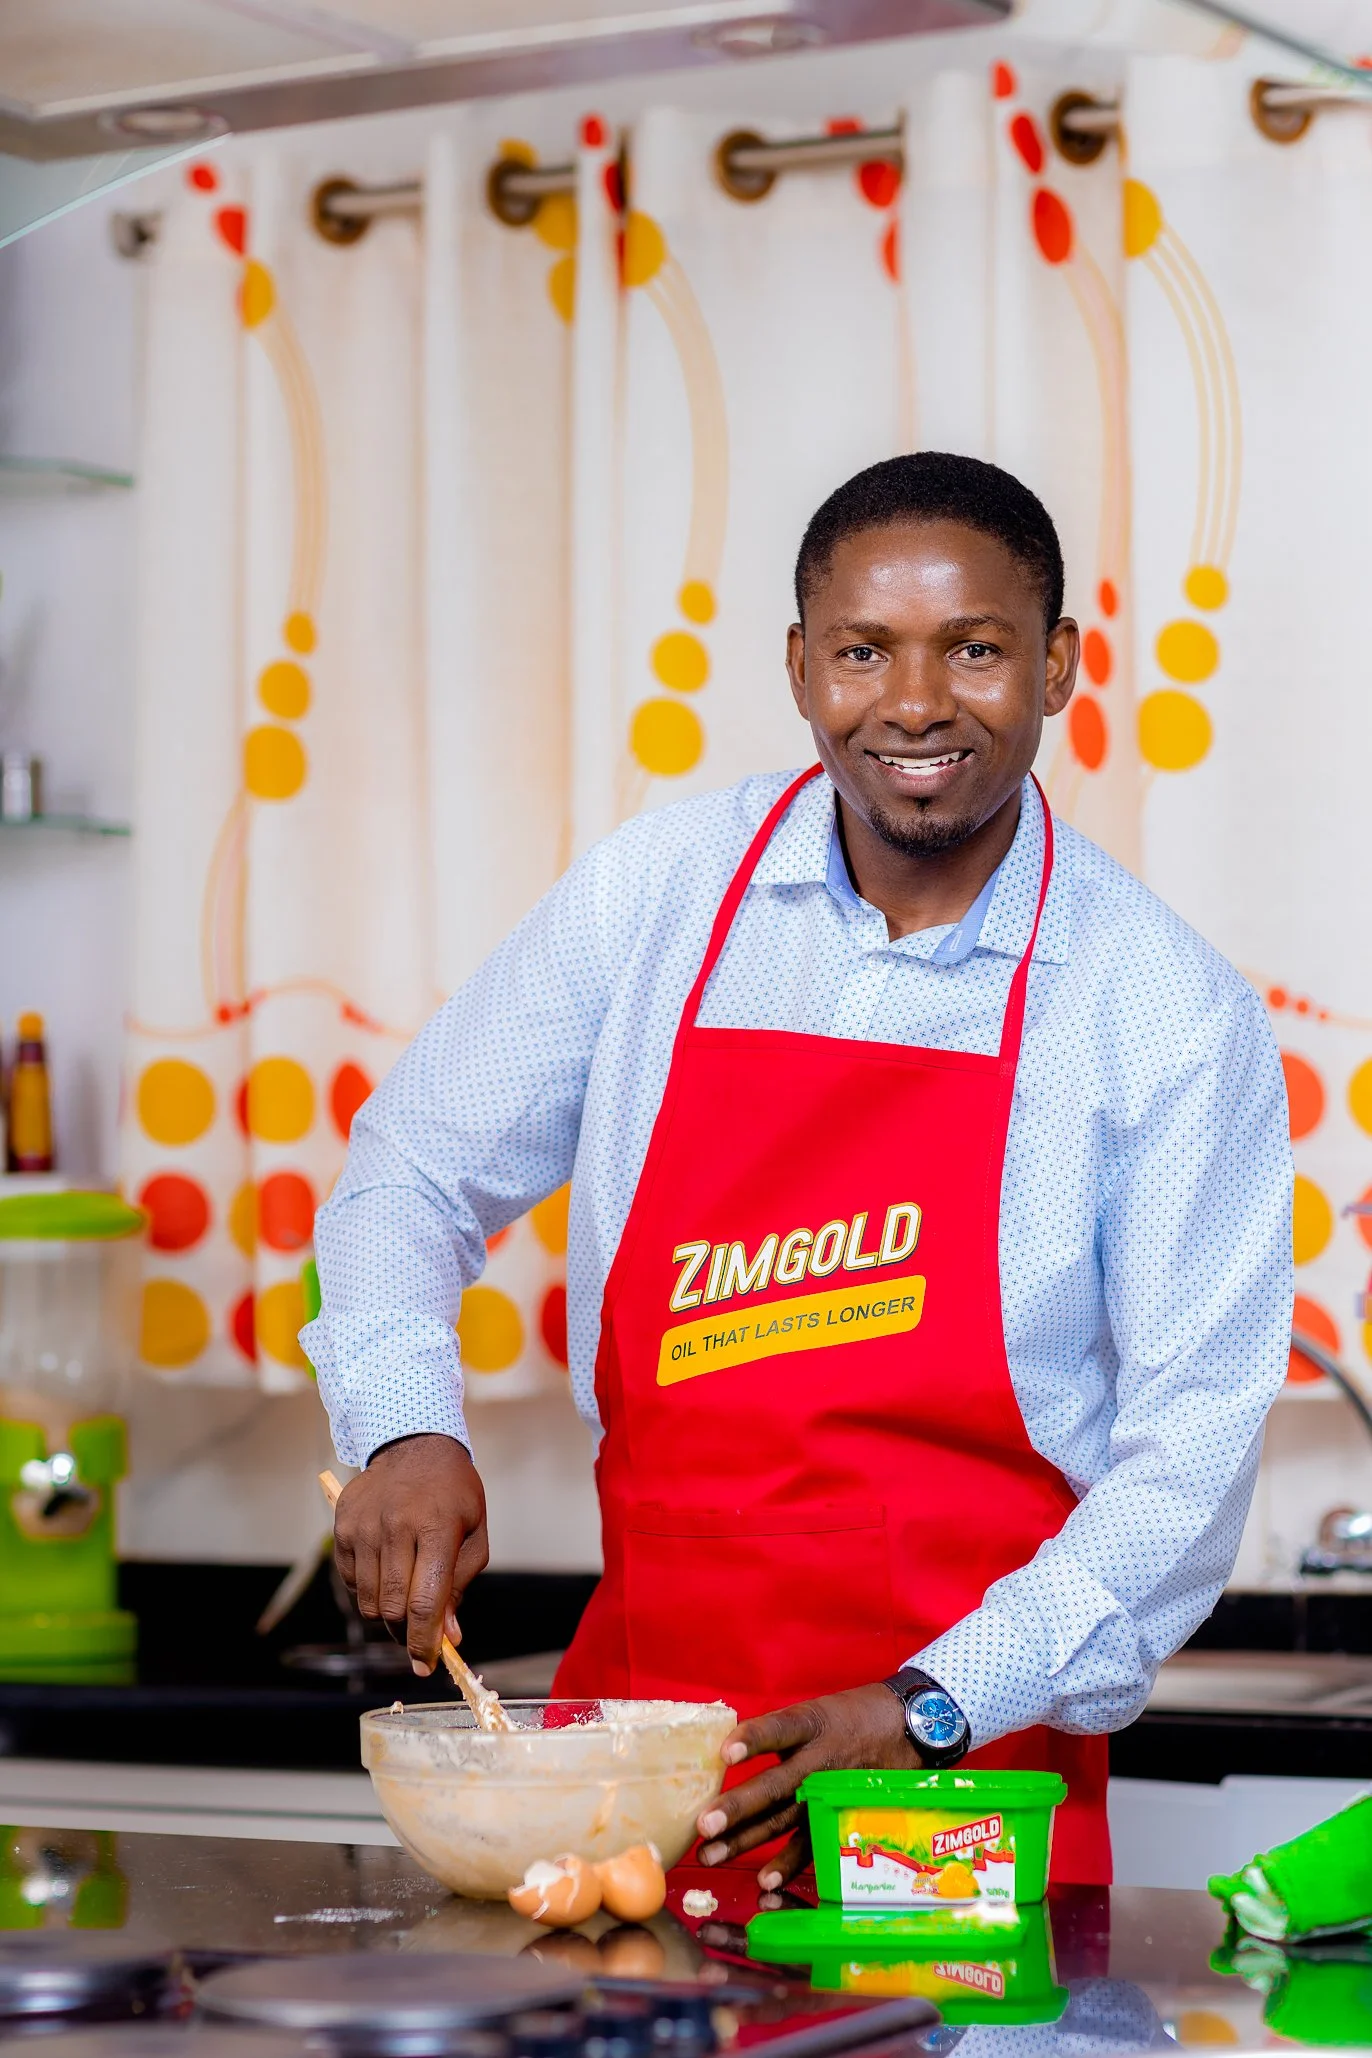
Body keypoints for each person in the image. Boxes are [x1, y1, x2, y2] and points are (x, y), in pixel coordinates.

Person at [305, 452, 1293, 1890]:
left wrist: (932, 1705)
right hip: (629, 1780)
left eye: (974, 647)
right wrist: (399, 1422)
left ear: (1061, 663)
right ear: (797, 665)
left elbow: (1189, 1453)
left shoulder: (1160, 1005)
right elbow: (408, 1169)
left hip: (955, 1809)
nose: (913, 702)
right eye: (861, 649)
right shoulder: (660, 896)